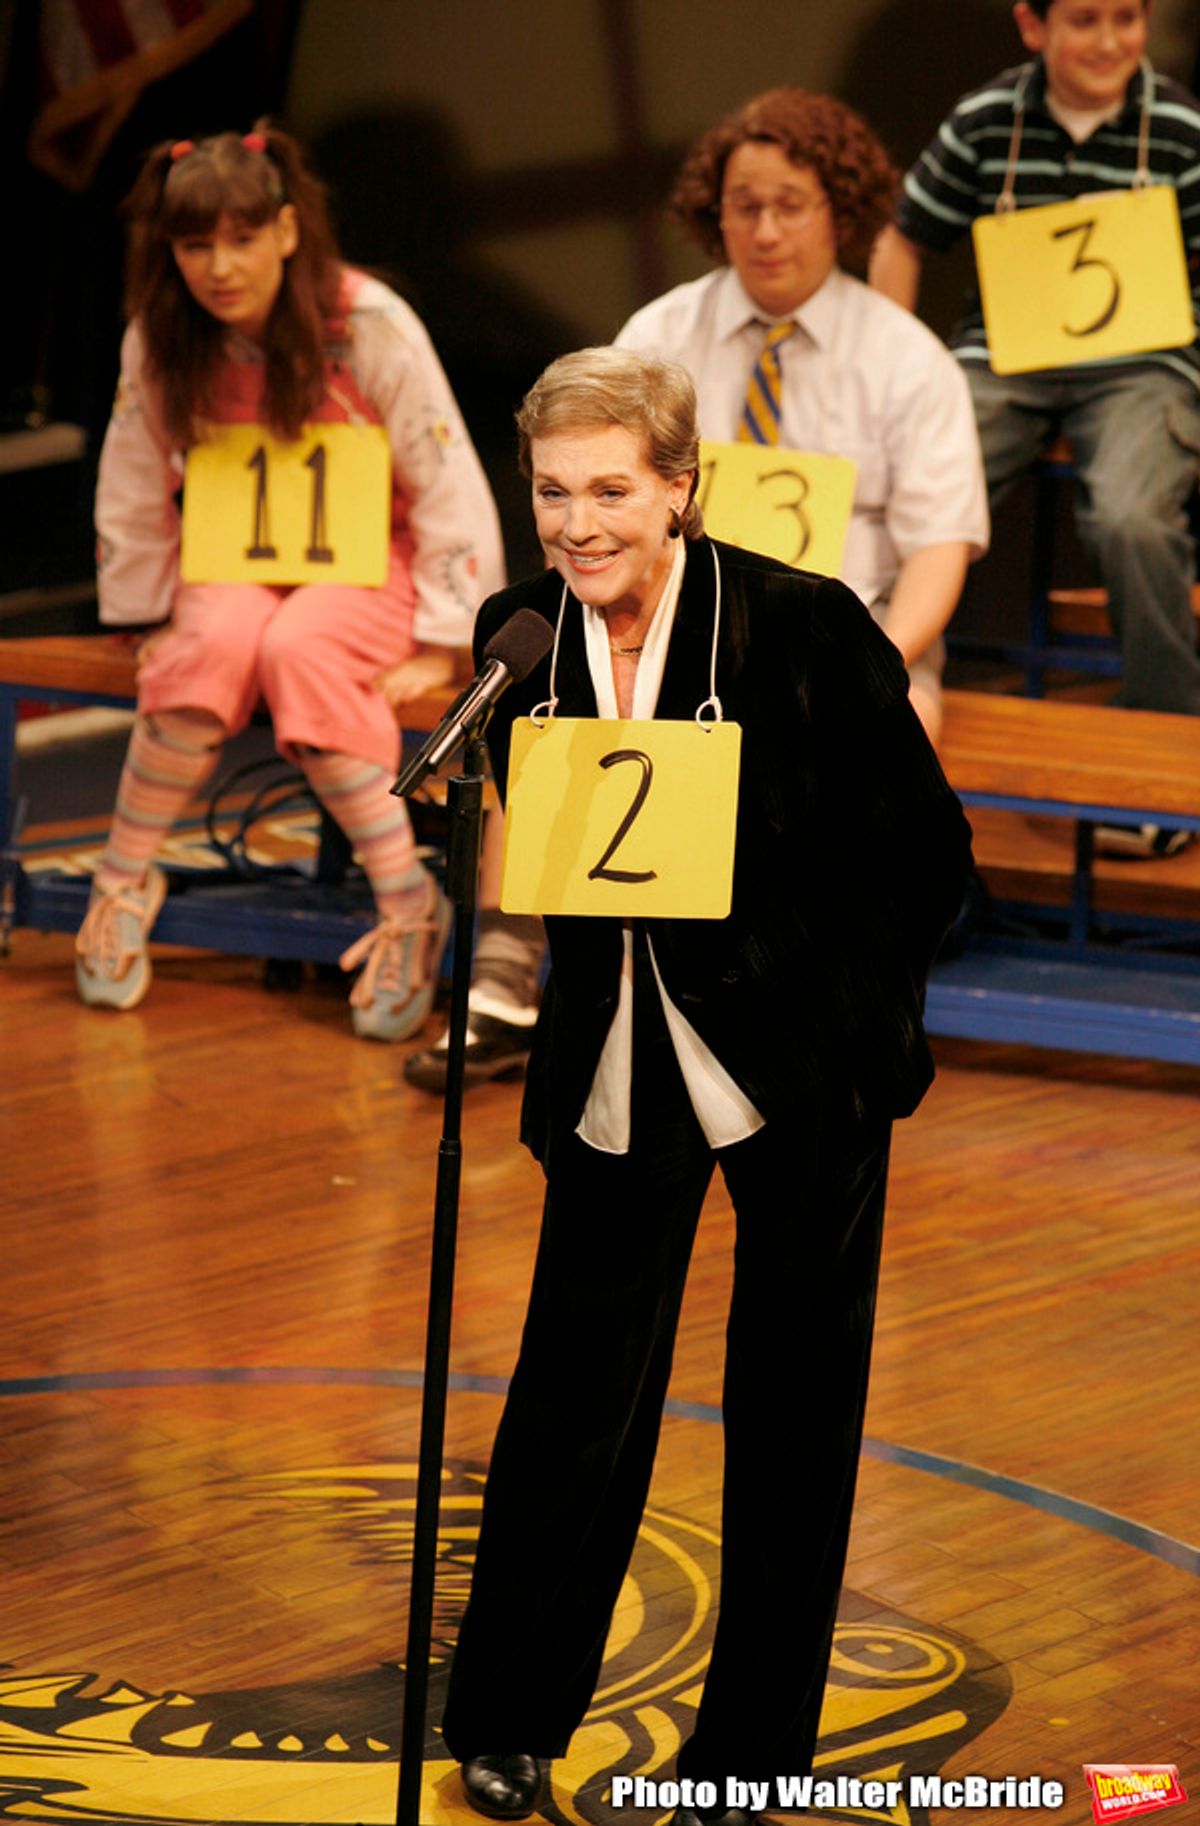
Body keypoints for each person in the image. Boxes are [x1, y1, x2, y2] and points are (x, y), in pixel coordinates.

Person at [438, 347, 972, 1825]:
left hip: (801, 1069)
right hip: (616, 1063)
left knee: (794, 1409)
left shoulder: (800, 624)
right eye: (554, 491)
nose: (579, 523)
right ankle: (510, 1712)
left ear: (681, 486)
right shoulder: (519, 634)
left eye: (612, 489)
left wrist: (853, 1026)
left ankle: (750, 1753)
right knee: (570, 1394)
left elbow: (926, 857)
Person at [76, 123, 504, 1035]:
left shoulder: (369, 322)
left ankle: (406, 906)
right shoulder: (160, 333)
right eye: (196, 245)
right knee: (207, 644)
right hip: (229, 562)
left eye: (242, 238)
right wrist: (145, 611)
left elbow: (444, 474)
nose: (220, 267)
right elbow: (132, 474)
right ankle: (121, 881)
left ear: (285, 229)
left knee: (302, 648)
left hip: (373, 565)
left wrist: (443, 640)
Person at [871, 0, 1200, 849]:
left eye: (1126, 18)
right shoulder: (989, 118)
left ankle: (1167, 757)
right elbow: (902, 236)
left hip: (1144, 363)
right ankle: (884, 695)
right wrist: (889, 372)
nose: (1108, 41)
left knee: (1133, 517)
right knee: (910, 487)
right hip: (1005, 356)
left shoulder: (1178, 126)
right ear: (1032, 25)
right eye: (1084, 20)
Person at [615, 87, 990, 750]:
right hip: (675, 630)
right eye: (745, 207)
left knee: (895, 736)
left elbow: (938, 546)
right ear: (716, 212)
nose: (766, 232)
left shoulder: (909, 358)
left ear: (839, 212)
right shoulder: (656, 340)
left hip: (855, 633)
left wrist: (876, 662)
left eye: (790, 207)